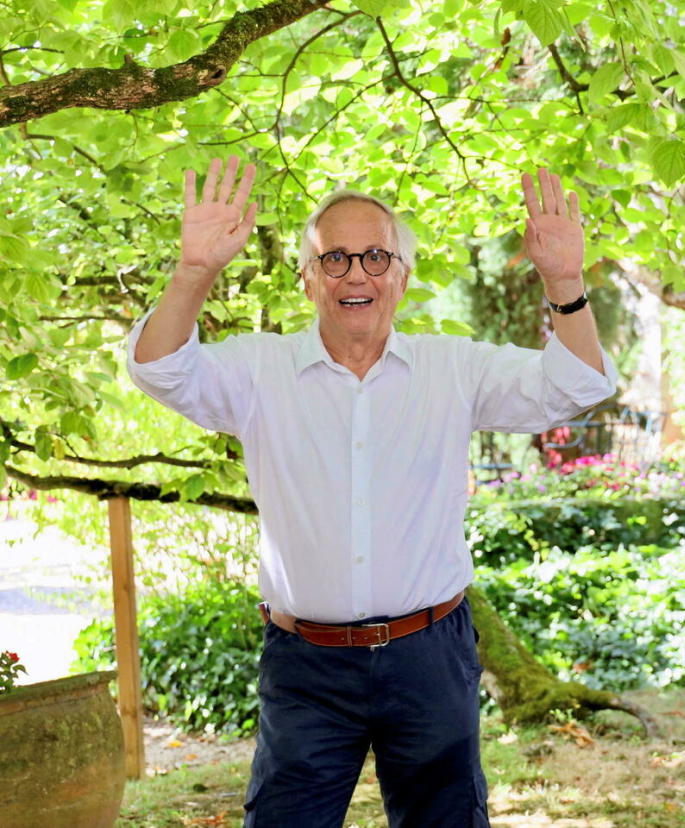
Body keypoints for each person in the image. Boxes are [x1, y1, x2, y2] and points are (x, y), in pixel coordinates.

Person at [127, 156, 617, 827]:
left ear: (403, 277)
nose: (356, 273)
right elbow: (158, 368)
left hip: (428, 658)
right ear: (308, 279)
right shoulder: (258, 371)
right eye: (335, 259)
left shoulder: (453, 368)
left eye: (376, 257)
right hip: (307, 669)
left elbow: (579, 385)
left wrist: (564, 281)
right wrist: (194, 272)